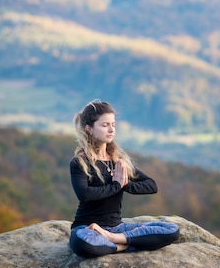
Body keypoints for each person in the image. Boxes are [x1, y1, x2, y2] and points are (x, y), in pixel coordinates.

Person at [69, 100, 179, 257]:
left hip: (117, 228)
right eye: (105, 125)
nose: (111, 129)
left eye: (113, 124)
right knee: (84, 244)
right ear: (89, 129)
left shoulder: (118, 160)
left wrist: (124, 184)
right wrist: (116, 185)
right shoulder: (80, 162)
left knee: (171, 230)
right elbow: (85, 194)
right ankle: (125, 244)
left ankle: (114, 240)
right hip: (87, 228)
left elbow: (151, 185)